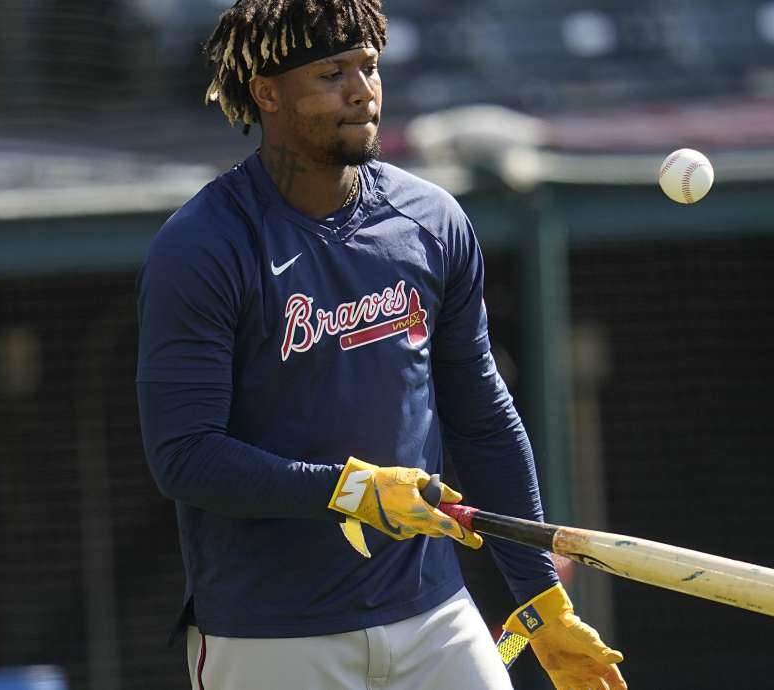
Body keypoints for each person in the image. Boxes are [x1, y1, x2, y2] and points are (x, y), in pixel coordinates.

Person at [135, 1, 627, 688]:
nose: (363, 91)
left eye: (369, 67)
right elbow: (184, 456)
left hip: (432, 615)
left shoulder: (433, 220)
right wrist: (353, 489)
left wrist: (542, 600)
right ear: (267, 92)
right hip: (272, 635)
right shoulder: (203, 245)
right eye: (332, 73)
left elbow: (482, 416)